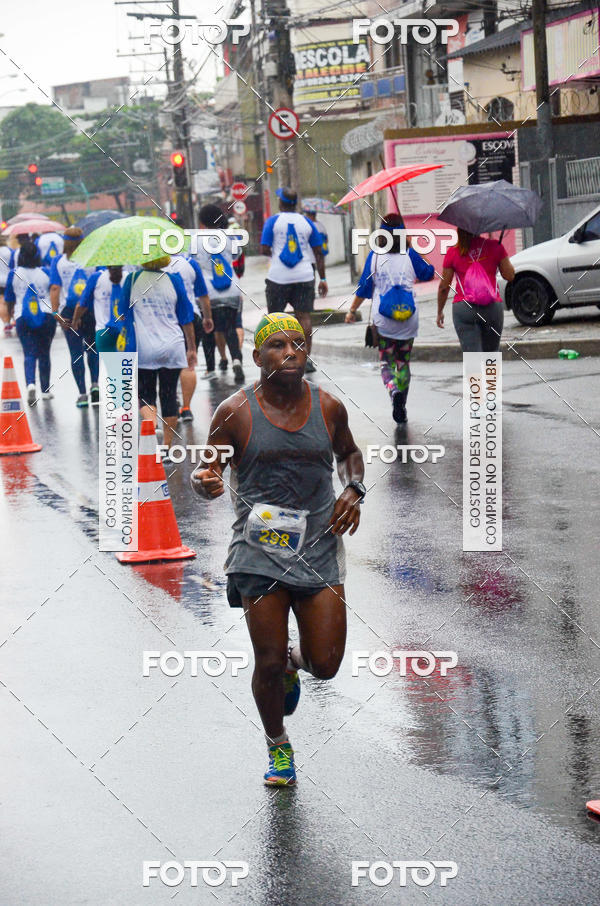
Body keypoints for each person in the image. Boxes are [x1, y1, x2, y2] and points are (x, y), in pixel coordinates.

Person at [190, 312, 365, 786]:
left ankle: (296, 663)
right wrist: (204, 481)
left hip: (319, 544)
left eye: (298, 345)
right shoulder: (235, 411)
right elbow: (210, 470)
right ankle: (278, 745)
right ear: (257, 357)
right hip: (259, 548)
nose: (290, 352)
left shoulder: (328, 407)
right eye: (277, 346)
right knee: (265, 659)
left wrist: (353, 490)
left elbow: (349, 456)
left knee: (325, 664)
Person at [345, 214, 434, 424]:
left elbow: (364, 289)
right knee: (403, 363)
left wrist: (351, 310)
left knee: (387, 362)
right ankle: (402, 404)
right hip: (409, 319)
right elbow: (429, 273)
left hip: (384, 321)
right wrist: (414, 248)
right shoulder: (411, 254)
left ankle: (394, 392)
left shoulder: (375, 257)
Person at [119, 255, 197, 457]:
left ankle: (153, 426)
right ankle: (167, 447)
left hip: (145, 347)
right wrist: (192, 347)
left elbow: (122, 314)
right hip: (173, 345)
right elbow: (187, 317)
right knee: (169, 394)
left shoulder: (132, 280)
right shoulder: (174, 279)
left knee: (145, 394)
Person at [260, 187, 327, 374]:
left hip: (278, 277)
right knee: (304, 317)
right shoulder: (307, 222)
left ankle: (276, 359)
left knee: (275, 318)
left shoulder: (272, 221)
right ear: (295, 204)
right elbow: (318, 252)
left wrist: (275, 250)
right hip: (304, 276)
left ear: (281, 203)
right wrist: (323, 278)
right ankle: (305, 359)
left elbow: (264, 248)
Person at [436, 228, 515, 352]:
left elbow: (444, 287)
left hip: (464, 308)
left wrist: (439, 311)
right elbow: (509, 276)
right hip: (492, 307)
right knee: (491, 356)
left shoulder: (453, 252)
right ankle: (490, 371)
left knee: (472, 359)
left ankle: (475, 371)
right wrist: (499, 254)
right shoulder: (495, 246)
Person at [192, 204, 244, 383]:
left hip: (208, 292)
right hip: (231, 290)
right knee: (230, 328)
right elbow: (237, 256)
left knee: (209, 329)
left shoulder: (196, 240)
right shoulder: (229, 238)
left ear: (202, 222)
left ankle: (211, 368)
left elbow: (191, 262)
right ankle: (236, 359)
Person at [49, 227, 98, 407]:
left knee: (76, 352)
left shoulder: (58, 261)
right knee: (93, 348)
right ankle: (95, 384)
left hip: (68, 311)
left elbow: (55, 288)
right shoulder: (93, 258)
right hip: (90, 309)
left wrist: (56, 313)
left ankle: (82, 394)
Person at [4, 238, 56, 405]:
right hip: (46, 315)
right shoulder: (46, 272)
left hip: (23, 316)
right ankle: (46, 390)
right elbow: (53, 291)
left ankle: (30, 384)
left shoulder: (14, 273)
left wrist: (12, 312)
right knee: (44, 352)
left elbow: (9, 298)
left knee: (29, 352)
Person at [162, 253, 213, 421]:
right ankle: (186, 408)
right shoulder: (190, 263)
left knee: (167, 365)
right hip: (191, 316)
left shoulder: (153, 264)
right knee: (188, 363)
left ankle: (171, 402)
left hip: (165, 319)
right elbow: (203, 295)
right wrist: (207, 317)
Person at [72, 265, 129, 354]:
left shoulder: (96, 277)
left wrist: (75, 320)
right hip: (125, 332)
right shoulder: (129, 277)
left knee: (112, 367)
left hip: (103, 332)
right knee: (127, 366)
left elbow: (82, 305)